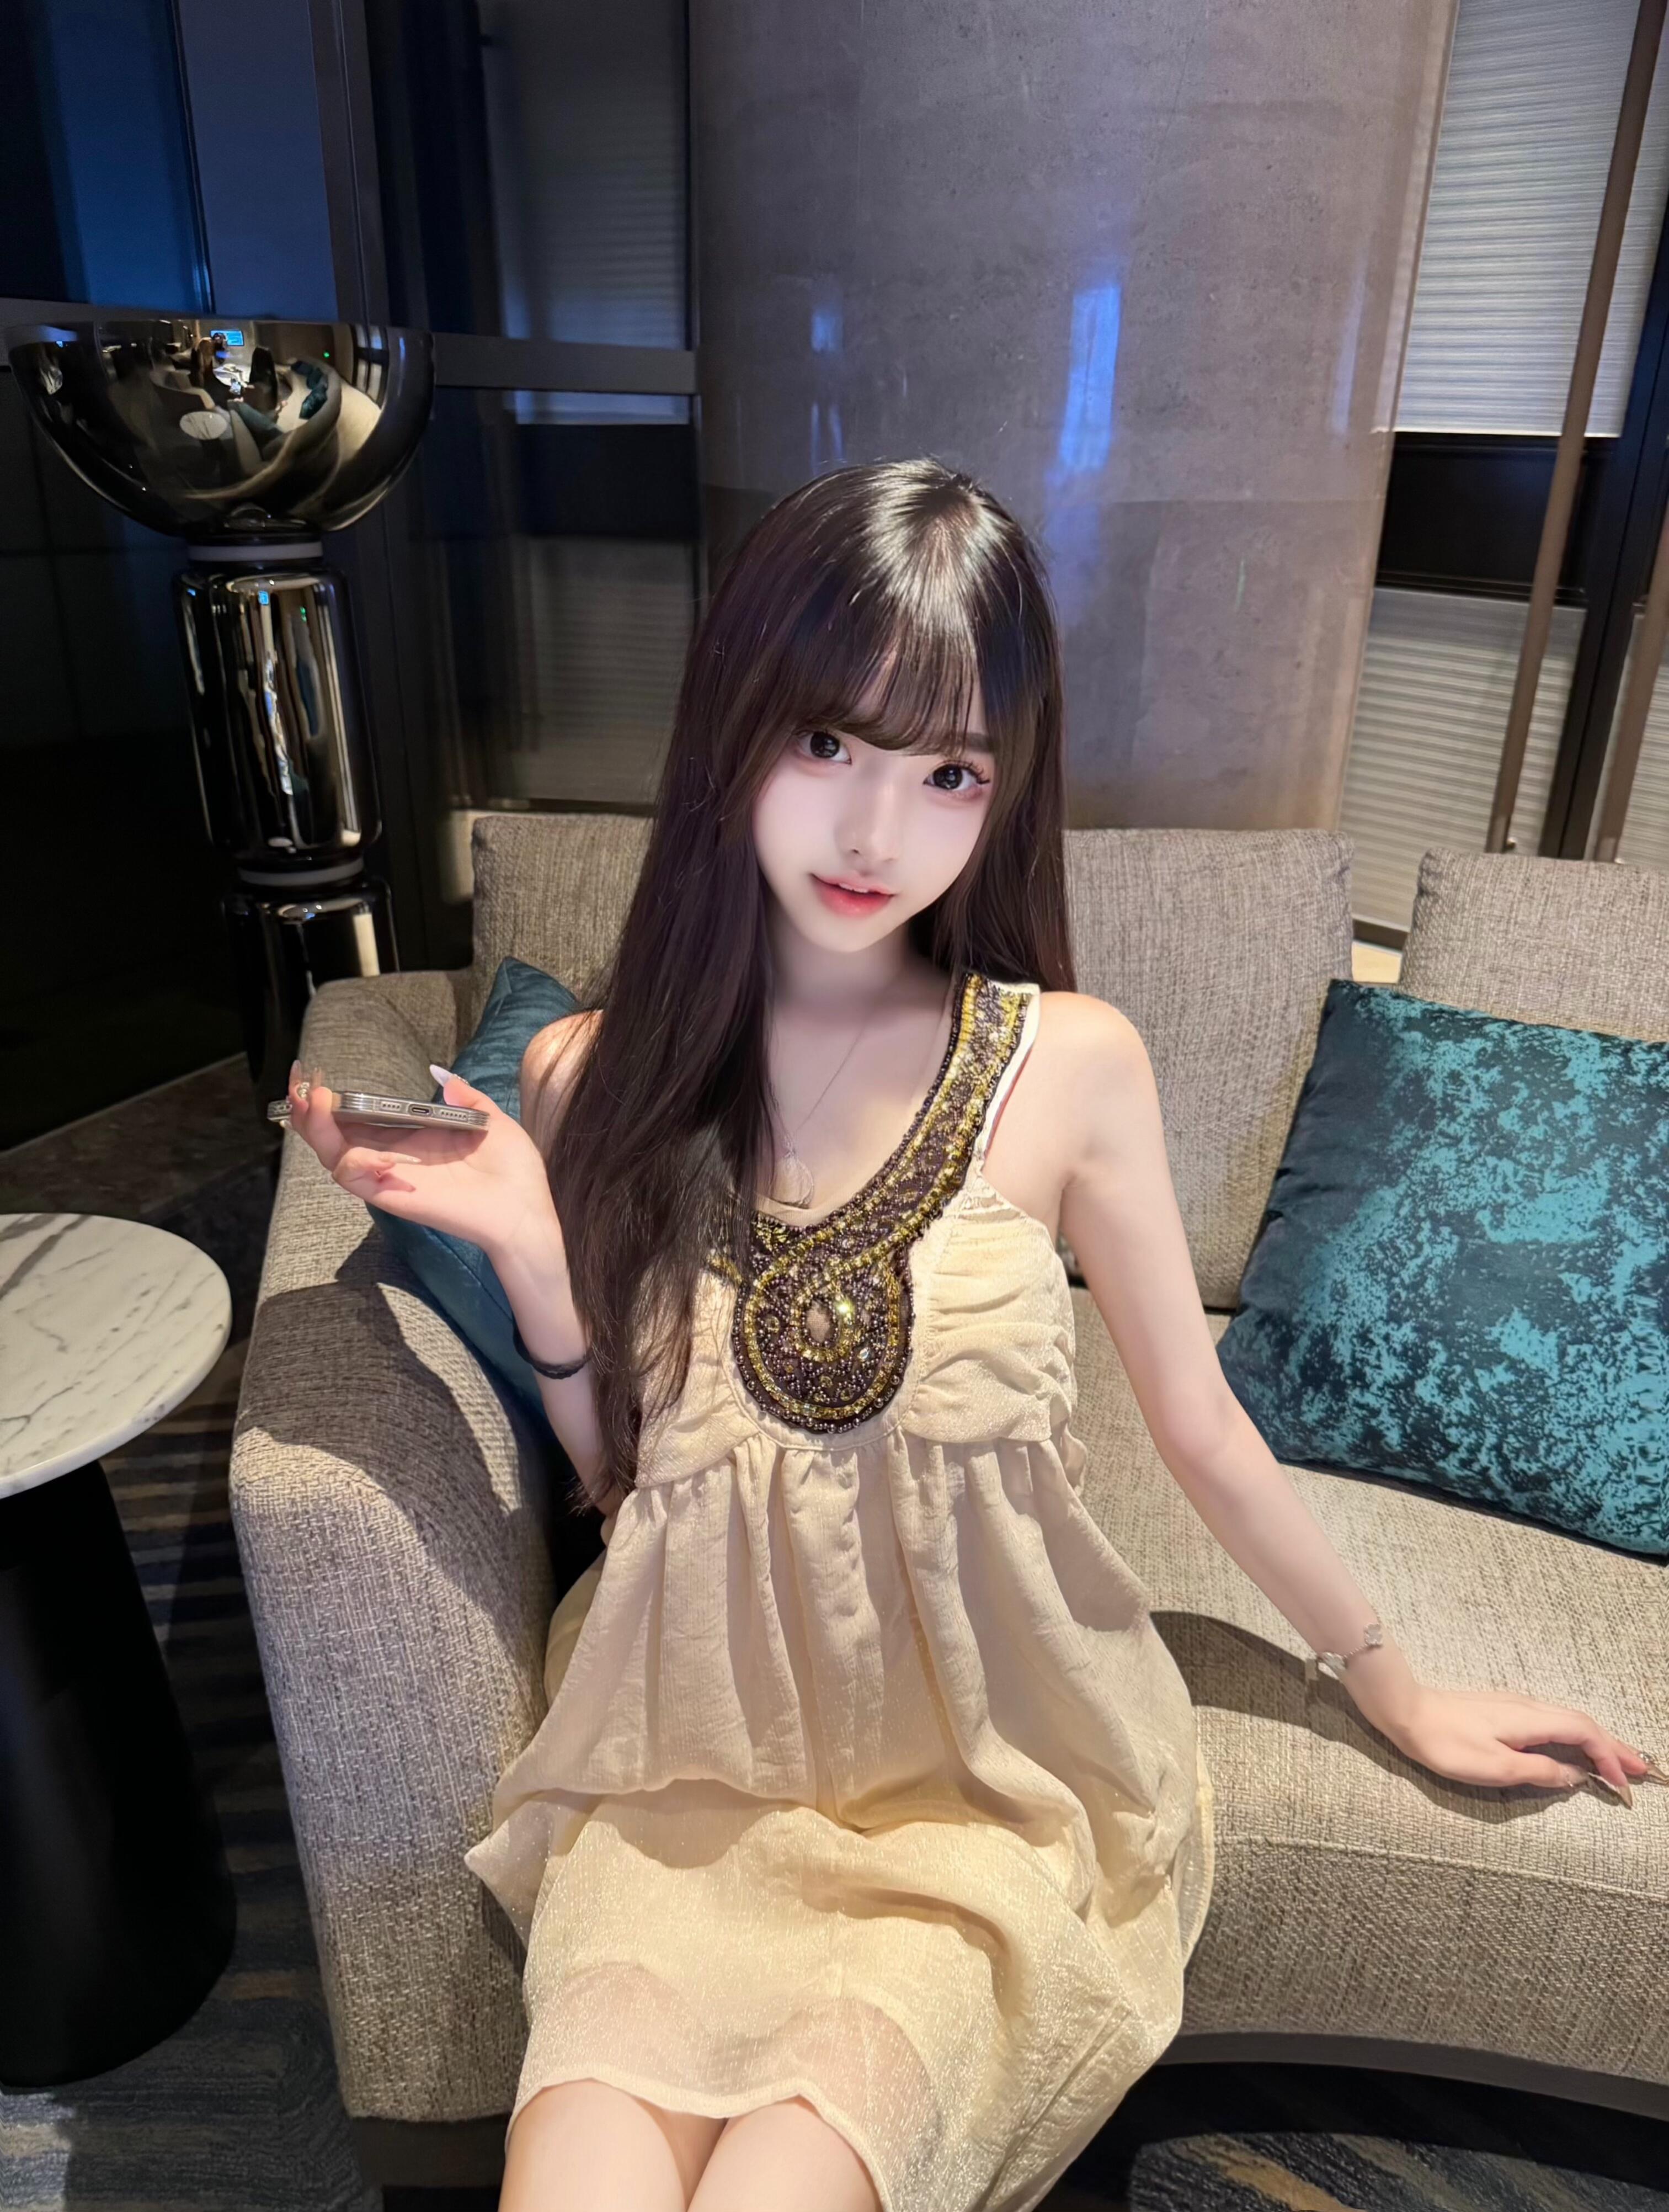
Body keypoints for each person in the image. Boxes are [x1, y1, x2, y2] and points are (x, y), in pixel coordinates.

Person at [282, 457, 1654, 2212]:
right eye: (827, 745)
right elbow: (640, 1479)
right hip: (687, 1758)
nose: (879, 834)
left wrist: (1393, 1685)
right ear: (729, 732)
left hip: (980, 1780)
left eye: (949, 772)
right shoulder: (584, 1076)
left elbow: (1200, 1427)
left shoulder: (1066, 1063)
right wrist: (533, 1254)